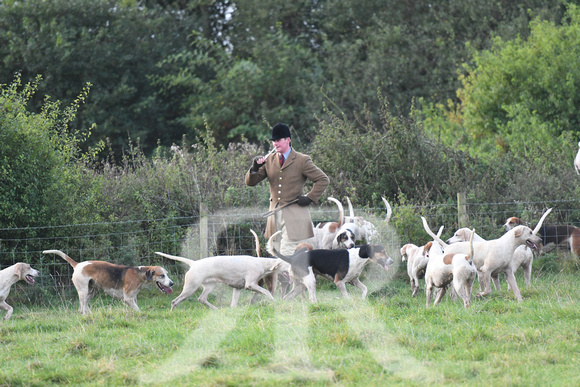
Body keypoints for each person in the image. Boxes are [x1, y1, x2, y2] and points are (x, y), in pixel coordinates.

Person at [245, 123, 329, 255]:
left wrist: (309, 198)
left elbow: (323, 180)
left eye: (278, 140)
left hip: (295, 217)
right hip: (274, 217)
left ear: (288, 140)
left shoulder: (302, 160)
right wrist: (255, 168)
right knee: (277, 254)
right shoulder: (269, 160)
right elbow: (251, 182)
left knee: (286, 255)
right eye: (273, 141)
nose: (275, 144)